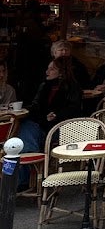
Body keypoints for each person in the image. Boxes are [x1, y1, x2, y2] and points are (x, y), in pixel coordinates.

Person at [16, 58, 83, 188]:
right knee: (24, 130)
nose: (47, 71)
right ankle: (29, 169)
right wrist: (23, 110)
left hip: (59, 128)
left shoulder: (72, 87)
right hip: (41, 124)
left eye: (52, 69)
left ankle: (27, 175)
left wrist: (56, 115)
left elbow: (74, 110)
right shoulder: (44, 86)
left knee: (27, 135)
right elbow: (36, 106)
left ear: (61, 72)